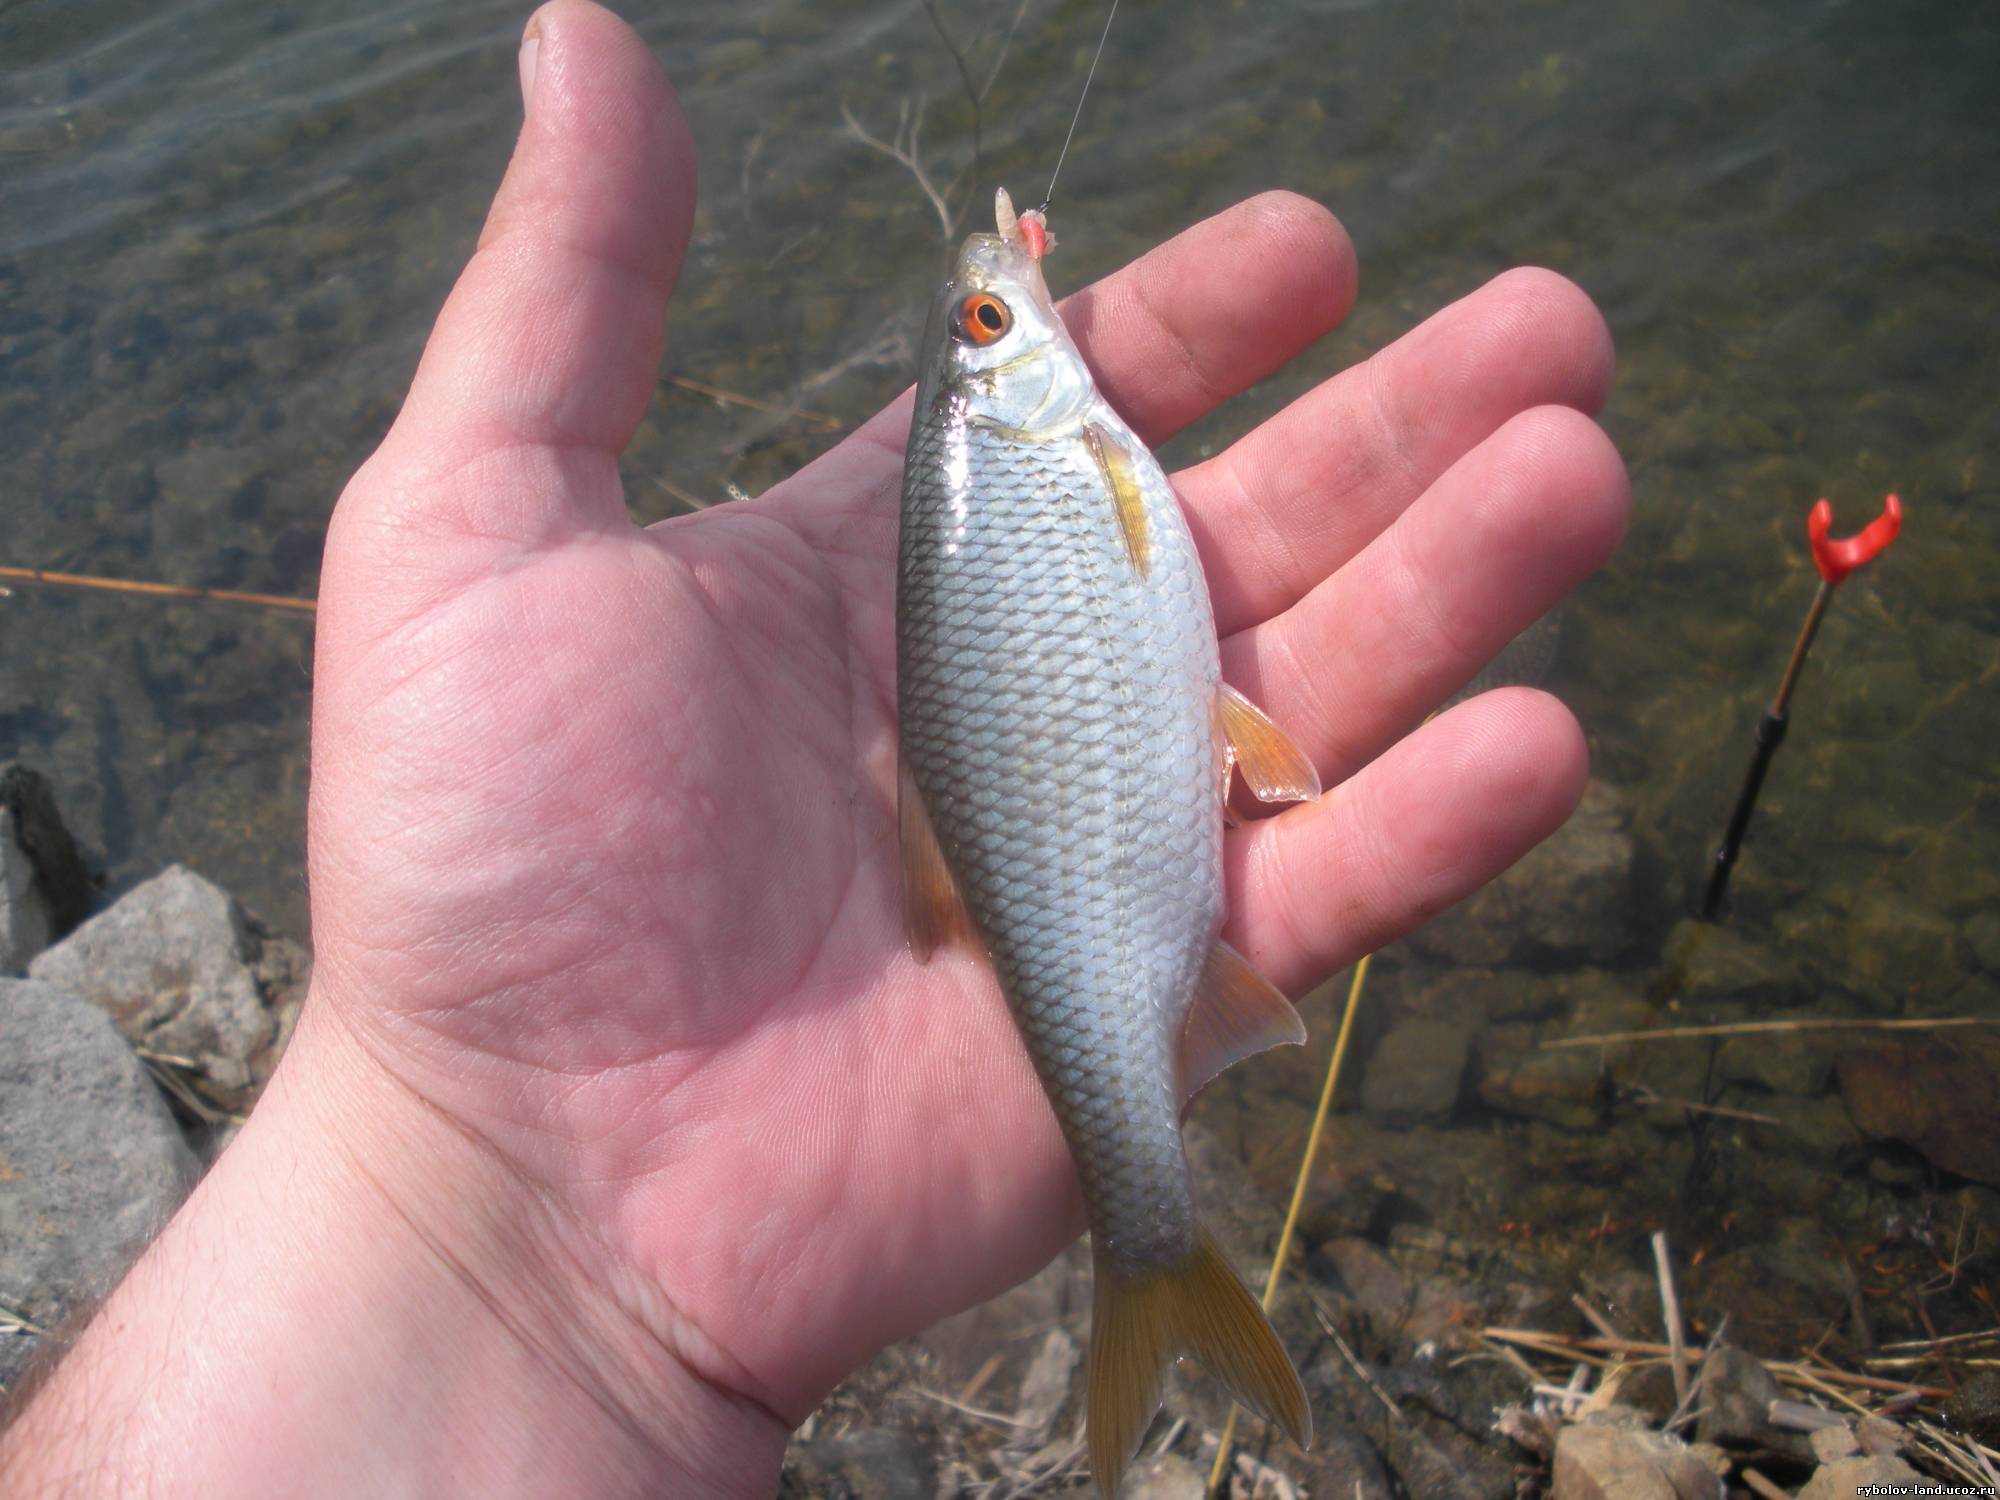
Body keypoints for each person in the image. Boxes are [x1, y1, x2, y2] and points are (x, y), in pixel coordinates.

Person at [0, 2, 1626, 1494]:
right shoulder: (1053, 445)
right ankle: (1159, 1257)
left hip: (1093, 837)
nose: (1009, 307)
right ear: (1005, 373)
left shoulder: (1042, 447)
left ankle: (1155, 1257)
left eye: (987, 315)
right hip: (1100, 837)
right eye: (995, 318)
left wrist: (459, 1198)